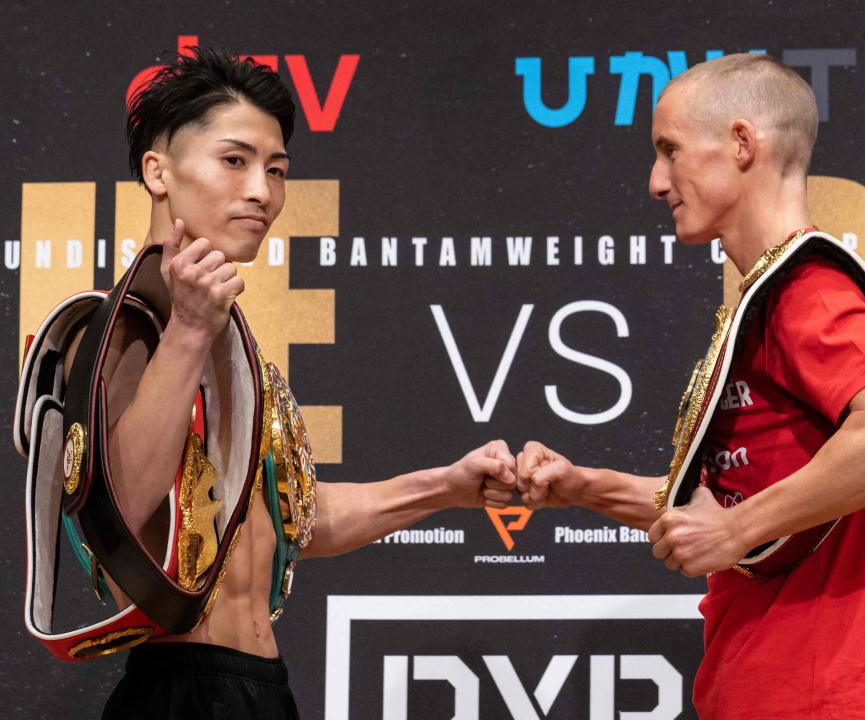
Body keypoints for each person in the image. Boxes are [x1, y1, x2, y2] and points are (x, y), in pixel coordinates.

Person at [47, 47, 518, 719]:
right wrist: (185, 331)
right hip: (179, 691)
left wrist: (447, 486)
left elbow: (290, 522)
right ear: (159, 171)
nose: (263, 192)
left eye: (276, 170)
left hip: (262, 688)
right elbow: (117, 500)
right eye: (234, 161)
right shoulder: (116, 329)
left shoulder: (230, 341)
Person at [516, 53, 865, 719]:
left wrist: (736, 529)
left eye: (670, 151)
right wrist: (580, 487)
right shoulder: (768, 300)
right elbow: (727, 508)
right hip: (765, 689)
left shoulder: (809, 294)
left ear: (744, 144)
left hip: (819, 696)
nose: (657, 182)